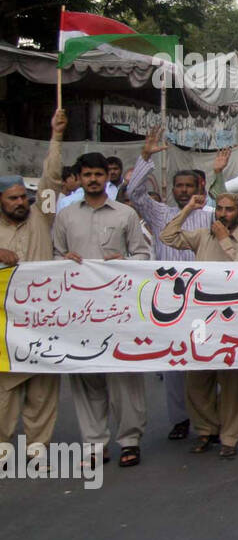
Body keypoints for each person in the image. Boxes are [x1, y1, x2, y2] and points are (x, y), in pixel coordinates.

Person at [52, 151, 151, 468]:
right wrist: (63, 262)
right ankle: (95, 444)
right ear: (79, 179)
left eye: (99, 174)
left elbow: (143, 256)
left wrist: (122, 264)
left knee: (124, 379)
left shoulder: (126, 214)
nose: (93, 179)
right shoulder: (66, 216)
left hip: (118, 310)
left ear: (107, 177)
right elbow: (54, 258)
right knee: (87, 378)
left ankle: (129, 441)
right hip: (80, 311)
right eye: (87, 175)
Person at [125, 127, 210, 441]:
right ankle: (179, 420)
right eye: (179, 186)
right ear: (172, 189)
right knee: (175, 362)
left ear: (198, 187)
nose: (184, 190)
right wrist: (145, 157)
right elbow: (134, 194)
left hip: (203, 298)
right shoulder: (160, 213)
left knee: (203, 362)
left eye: (189, 185)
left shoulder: (210, 215)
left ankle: (207, 421)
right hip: (169, 300)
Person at [161, 193, 238, 459]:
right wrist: (189, 207)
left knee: (233, 384)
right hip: (201, 317)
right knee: (198, 380)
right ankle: (206, 429)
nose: (223, 214)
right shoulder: (201, 235)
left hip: (233, 319)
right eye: (220, 209)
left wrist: (225, 239)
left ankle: (229, 437)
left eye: (229, 210)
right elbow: (167, 237)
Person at [0, 111, 66, 458]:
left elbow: (52, 181)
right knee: (5, 389)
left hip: (42, 320)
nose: (20, 203)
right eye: (13, 199)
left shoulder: (43, 216)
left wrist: (55, 136)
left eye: (23, 198)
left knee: (43, 387)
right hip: (4, 325)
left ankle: (38, 447)